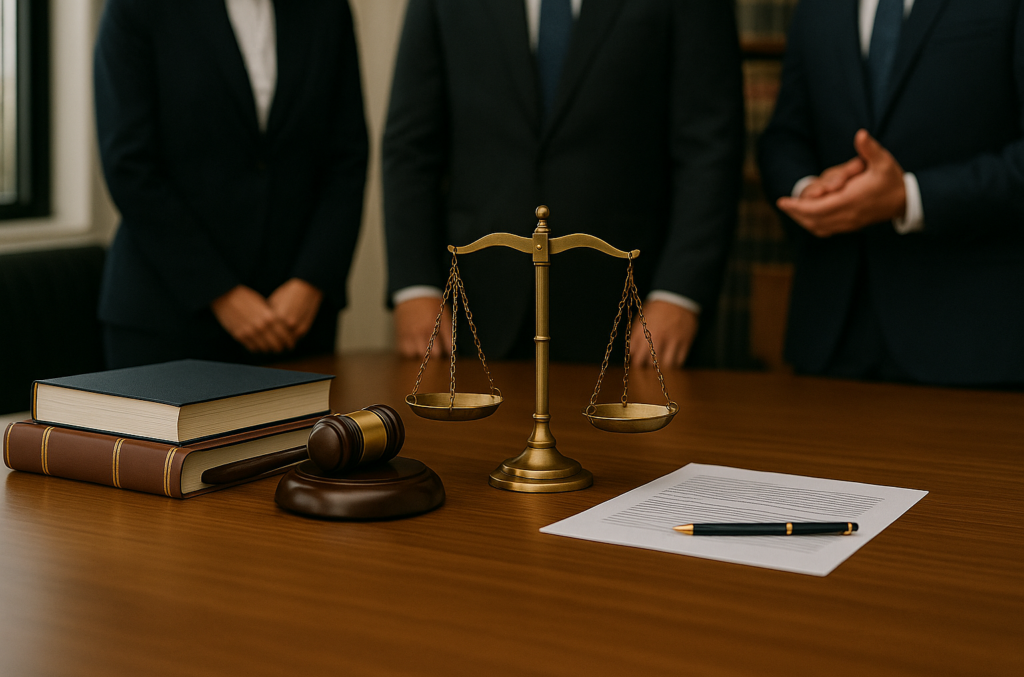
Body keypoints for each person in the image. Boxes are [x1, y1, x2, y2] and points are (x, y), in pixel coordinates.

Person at [383, 0, 744, 366]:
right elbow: (410, 148)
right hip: (469, 314)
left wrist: (680, 292)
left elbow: (709, 147)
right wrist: (415, 286)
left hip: (634, 319)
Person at [758, 0, 1024, 386]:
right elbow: (785, 135)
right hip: (832, 339)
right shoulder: (816, 6)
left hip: (972, 340)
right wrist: (809, 189)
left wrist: (911, 197)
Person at [94, 0, 368, 369]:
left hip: (295, 319)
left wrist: (311, 279)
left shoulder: (327, 9)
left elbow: (347, 159)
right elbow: (129, 166)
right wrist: (221, 293)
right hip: (168, 317)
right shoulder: (137, 8)